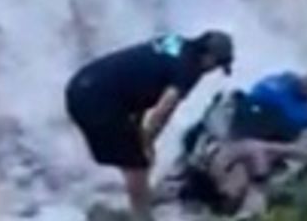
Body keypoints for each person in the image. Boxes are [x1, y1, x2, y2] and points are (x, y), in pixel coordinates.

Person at [157, 53, 307, 215]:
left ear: (221, 186)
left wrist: (289, 156)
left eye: (234, 190)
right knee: (302, 85)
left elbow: (252, 146)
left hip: (274, 115)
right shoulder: (210, 170)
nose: (239, 190)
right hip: (259, 102)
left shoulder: (220, 163)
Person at [64, 30, 235, 219]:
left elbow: (139, 87)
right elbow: (163, 110)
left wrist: (143, 139)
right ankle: (142, 217)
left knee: (132, 156)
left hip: (81, 86)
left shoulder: (174, 42)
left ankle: (129, 201)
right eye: (217, 65)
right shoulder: (190, 67)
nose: (212, 71)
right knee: (138, 165)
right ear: (209, 57)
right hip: (97, 101)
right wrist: (147, 142)